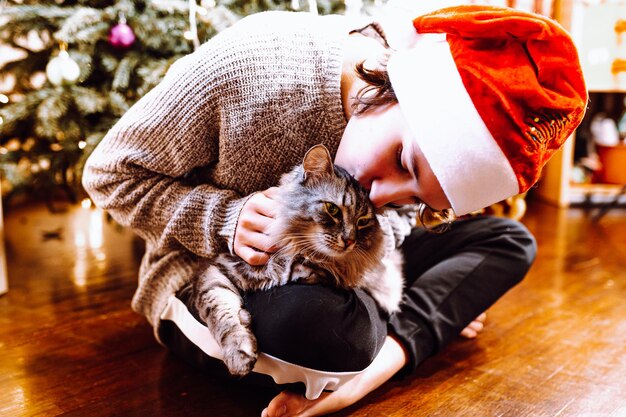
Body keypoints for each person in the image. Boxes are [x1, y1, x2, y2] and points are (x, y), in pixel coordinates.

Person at [82, 4, 587, 417]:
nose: (384, 193)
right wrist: (223, 218)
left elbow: (394, 221)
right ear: (392, 88)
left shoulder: (390, 192)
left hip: (352, 266)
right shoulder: (250, 68)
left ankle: (379, 361)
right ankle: (408, 330)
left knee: (510, 240)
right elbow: (107, 174)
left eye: (417, 196)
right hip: (218, 272)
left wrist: (372, 272)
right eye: (401, 159)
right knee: (321, 329)